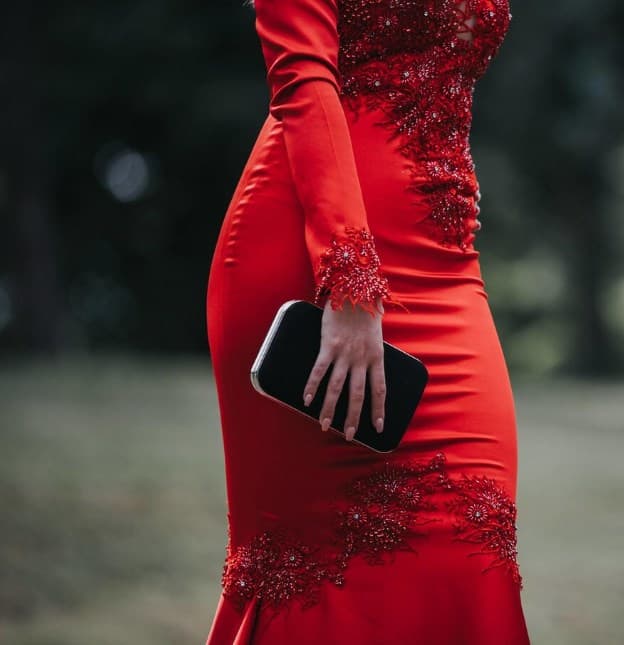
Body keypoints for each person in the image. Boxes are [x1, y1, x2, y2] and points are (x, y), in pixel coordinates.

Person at [204, 0, 529, 642]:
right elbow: (302, 76)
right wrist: (348, 276)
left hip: (445, 259)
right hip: (313, 254)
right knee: (310, 565)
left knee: (473, 551)